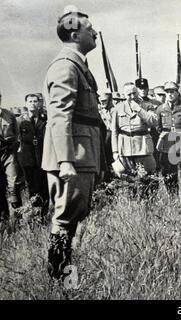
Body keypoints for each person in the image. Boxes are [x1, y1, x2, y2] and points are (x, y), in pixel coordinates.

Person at [42, 10, 105, 280]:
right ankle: (62, 281)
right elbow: (59, 115)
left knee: (71, 218)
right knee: (65, 220)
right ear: (74, 34)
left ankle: (66, 279)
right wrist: (66, 160)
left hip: (82, 153)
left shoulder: (76, 64)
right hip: (73, 156)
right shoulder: (66, 66)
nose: (95, 32)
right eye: (90, 28)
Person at [111, 82, 159, 194]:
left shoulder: (147, 106)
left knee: (148, 179)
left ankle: (149, 203)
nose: (132, 97)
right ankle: (134, 203)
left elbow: (154, 122)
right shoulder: (118, 108)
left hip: (143, 148)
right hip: (125, 148)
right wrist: (115, 151)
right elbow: (114, 131)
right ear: (124, 95)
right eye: (129, 94)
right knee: (129, 181)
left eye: (134, 93)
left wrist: (139, 110)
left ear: (137, 92)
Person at [156, 81, 181, 194]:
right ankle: (173, 198)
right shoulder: (160, 109)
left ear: (177, 93)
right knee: (170, 173)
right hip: (168, 146)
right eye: (167, 92)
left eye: (172, 91)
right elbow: (158, 128)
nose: (170, 94)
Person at [17, 94, 49, 218]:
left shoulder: (44, 118)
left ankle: (44, 216)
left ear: (39, 103)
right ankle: (35, 216)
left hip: (42, 157)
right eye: (30, 101)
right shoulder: (21, 120)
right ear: (26, 104)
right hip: (28, 159)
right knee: (32, 189)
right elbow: (17, 139)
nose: (33, 104)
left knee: (44, 188)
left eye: (35, 101)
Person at [1, 90, 23, 225]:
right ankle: (4, 220)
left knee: (13, 184)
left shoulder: (9, 115)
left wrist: (14, 147)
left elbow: (17, 134)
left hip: (8, 152)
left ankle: (18, 218)